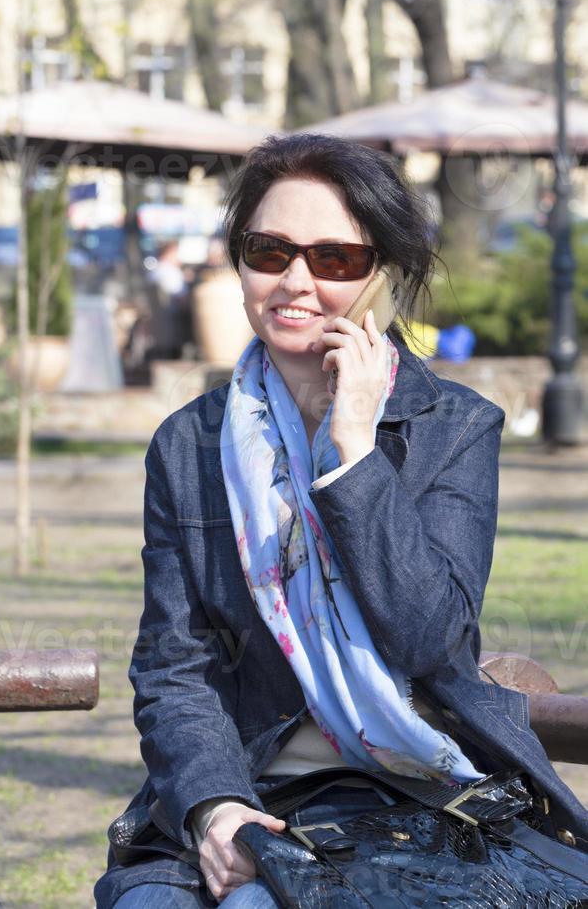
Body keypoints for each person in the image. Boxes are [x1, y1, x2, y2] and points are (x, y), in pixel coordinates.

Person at [95, 134, 588, 908]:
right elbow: (174, 666)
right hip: (245, 786)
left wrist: (355, 455)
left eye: (334, 260)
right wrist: (214, 808)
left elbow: (430, 638)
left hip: (412, 799)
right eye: (269, 250)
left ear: (382, 279)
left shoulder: (452, 429)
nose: (293, 281)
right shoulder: (189, 445)